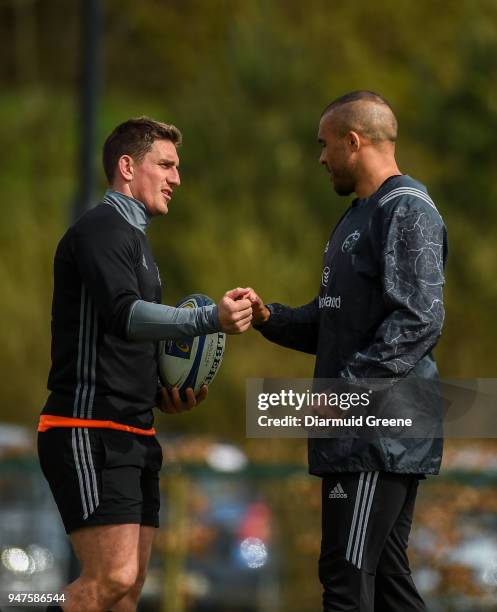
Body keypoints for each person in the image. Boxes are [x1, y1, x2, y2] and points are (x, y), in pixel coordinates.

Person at [37, 117, 253, 612]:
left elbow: (119, 341)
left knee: (128, 593)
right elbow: (125, 316)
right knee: (112, 578)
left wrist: (161, 391)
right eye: (166, 165)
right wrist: (207, 318)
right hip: (87, 427)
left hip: (133, 430)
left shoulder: (136, 241)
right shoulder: (101, 229)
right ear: (127, 167)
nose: (176, 178)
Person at [247, 91, 447, 611]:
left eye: (325, 144)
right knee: (384, 582)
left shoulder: (406, 210)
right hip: (361, 430)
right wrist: (270, 317)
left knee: (345, 579)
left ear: (353, 142)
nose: (320, 157)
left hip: (378, 431)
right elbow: (333, 321)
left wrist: (345, 392)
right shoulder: (358, 216)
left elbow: (420, 318)